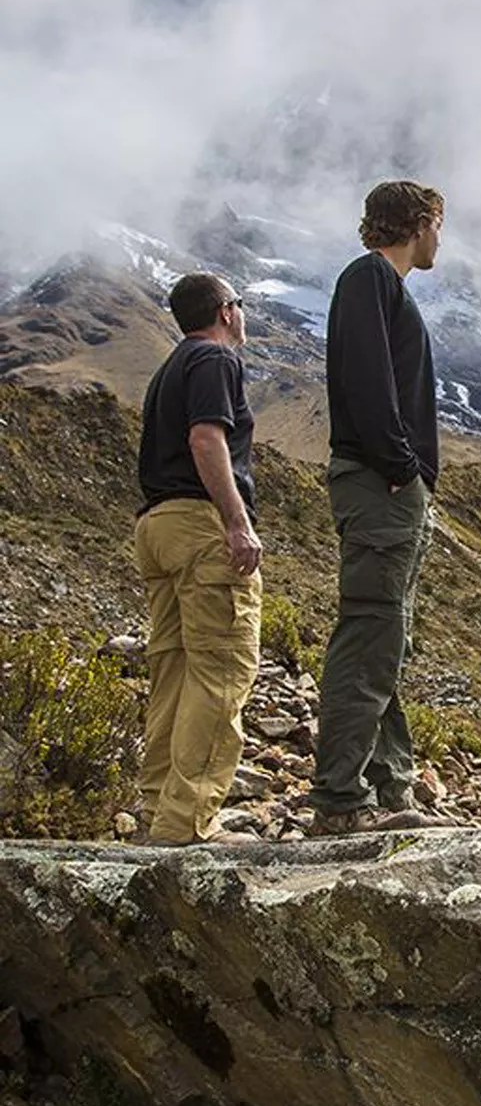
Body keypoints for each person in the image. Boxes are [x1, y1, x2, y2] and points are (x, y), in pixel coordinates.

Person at [308, 179, 445, 835]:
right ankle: (340, 799)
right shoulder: (368, 279)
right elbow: (367, 378)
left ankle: (391, 790)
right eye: (437, 225)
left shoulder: (381, 286)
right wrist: (399, 465)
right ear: (418, 224)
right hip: (379, 483)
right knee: (369, 634)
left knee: (385, 638)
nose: (439, 240)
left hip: (389, 486)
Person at [134, 272, 263, 846]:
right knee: (223, 669)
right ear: (226, 312)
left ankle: (157, 809)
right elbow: (207, 439)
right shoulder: (215, 360)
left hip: (156, 526)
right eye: (240, 305)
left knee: (175, 670)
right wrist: (237, 522)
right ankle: (188, 824)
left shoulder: (169, 368)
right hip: (198, 527)